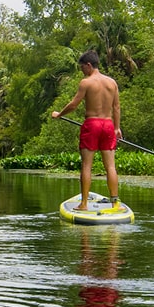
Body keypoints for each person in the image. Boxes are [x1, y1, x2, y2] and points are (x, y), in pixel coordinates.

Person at [50, 50, 121, 211]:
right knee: (110, 166)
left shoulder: (86, 83)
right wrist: (117, 128)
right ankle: (115, 203)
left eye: (82, 67)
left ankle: (83, 204)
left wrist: (59, 114)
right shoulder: (112, 83)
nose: (82, 70)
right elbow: (116, 107)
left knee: (86, 166)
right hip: (108, 125)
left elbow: (74, 104)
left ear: (89, 65)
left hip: (92, 124)